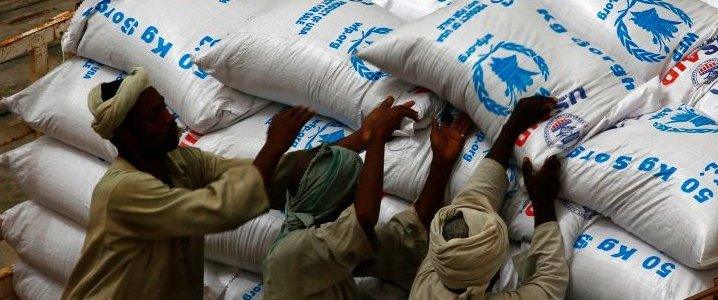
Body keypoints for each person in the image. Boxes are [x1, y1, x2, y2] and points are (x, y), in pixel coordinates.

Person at [64, 68, 313, 299]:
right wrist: (274, 145)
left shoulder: (179, 163)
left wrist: (340, 150)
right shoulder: (123, 190)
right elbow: (218, 209)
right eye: (154, 116)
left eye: (163, 108)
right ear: (127, 135)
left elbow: (252, 172)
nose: (168, 119)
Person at [262, 98, 474, 298]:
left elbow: (405, 233)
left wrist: (442, 163)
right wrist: (376, 138)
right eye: (351, 197)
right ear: (332, 206)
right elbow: (363, 219)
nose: (353, 203)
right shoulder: (290, 256)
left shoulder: (329, 237)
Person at [410, 96, 570, 299]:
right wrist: (544, 205)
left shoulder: (432, 276)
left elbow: (474, 196)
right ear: (493, 272)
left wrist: (513, 125)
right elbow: (550, 284)